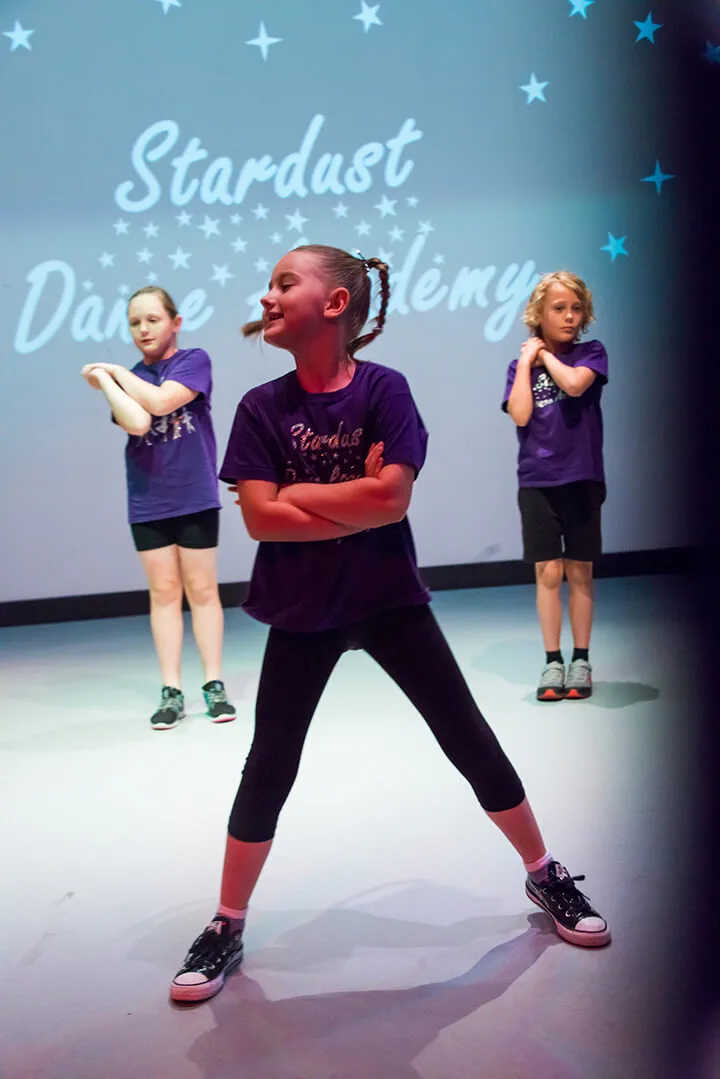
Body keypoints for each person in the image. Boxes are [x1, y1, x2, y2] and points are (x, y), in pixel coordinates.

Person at [169, 245, 610, 1004]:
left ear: (335, 305)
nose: (267, 297)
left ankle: (546, 874)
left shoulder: (385, 389)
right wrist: (351, 491)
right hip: (303, 612)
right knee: (269, 762)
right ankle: (226, 920)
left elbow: (393, 502)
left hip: (387, 598)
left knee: (465, 733)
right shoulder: (260, 408)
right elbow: (264, 522)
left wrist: (309, 493)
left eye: (284, 283)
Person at [80, 286, 236, 730]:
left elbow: (163, 402)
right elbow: (137, 421)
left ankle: (213, 685)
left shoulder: (193, 361)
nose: (143, 329)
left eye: (152, 319)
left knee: (202, 591)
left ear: (175, 322)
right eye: (134, 323)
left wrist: (109, 370)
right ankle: (172, 690)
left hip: (194, 493)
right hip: (148, 498)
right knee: (164, 593)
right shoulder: (128, 377)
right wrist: (110, 381)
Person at [503, 271, 608, 701]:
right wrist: (528, 362)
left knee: (580, 570)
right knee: (547, 571)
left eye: (575, 308)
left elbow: (573, 384)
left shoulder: (591, 354)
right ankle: (553, 662)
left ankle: (581, 659)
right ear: (539, 314)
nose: (568, 316)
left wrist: (544, 356)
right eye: (558, 308)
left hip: (581, 477)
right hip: (537, 481)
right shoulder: (518, 367)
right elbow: (521, 415)